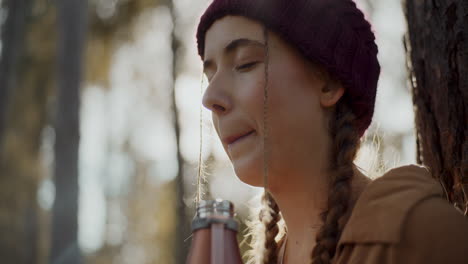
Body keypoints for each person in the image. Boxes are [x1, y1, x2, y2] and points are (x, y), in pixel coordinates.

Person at [195, 0, 468, 263]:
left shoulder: (421, 234)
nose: (210, 97)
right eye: (210, 76)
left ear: (329, 82)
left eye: (245, 63)